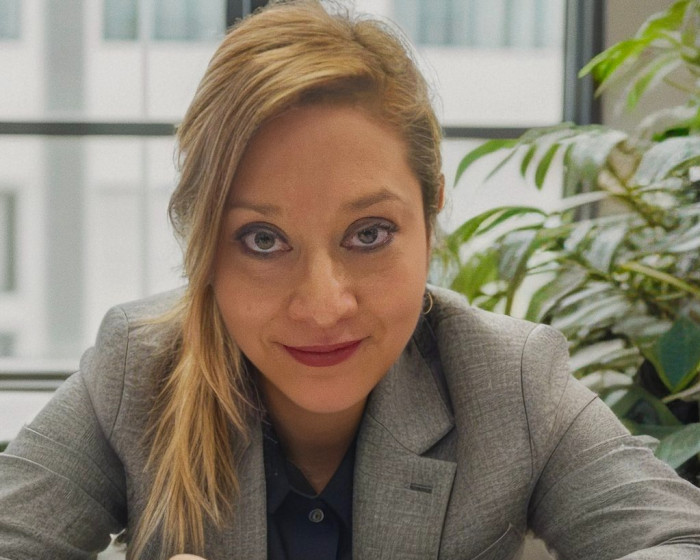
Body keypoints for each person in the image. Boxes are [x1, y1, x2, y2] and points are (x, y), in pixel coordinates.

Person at [2, 1, 700, 559]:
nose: (323, 305)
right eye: (262, 239)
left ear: (431, 213)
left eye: (369, 234)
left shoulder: (506, 381)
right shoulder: (138, 369)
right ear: (205, 250)